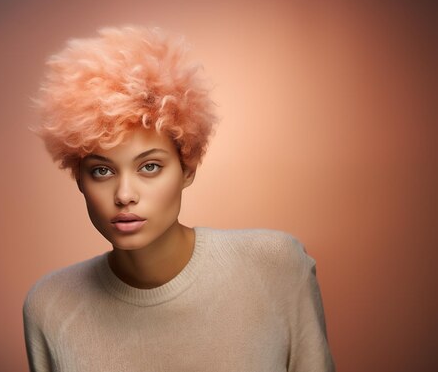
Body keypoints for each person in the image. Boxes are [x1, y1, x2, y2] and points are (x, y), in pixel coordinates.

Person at [23, 26, 335, 371]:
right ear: (79, 179)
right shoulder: (51, 305)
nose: (125, 195)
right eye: (102, 171)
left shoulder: (276, 266)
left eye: (150, 167)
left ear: (188, 169)